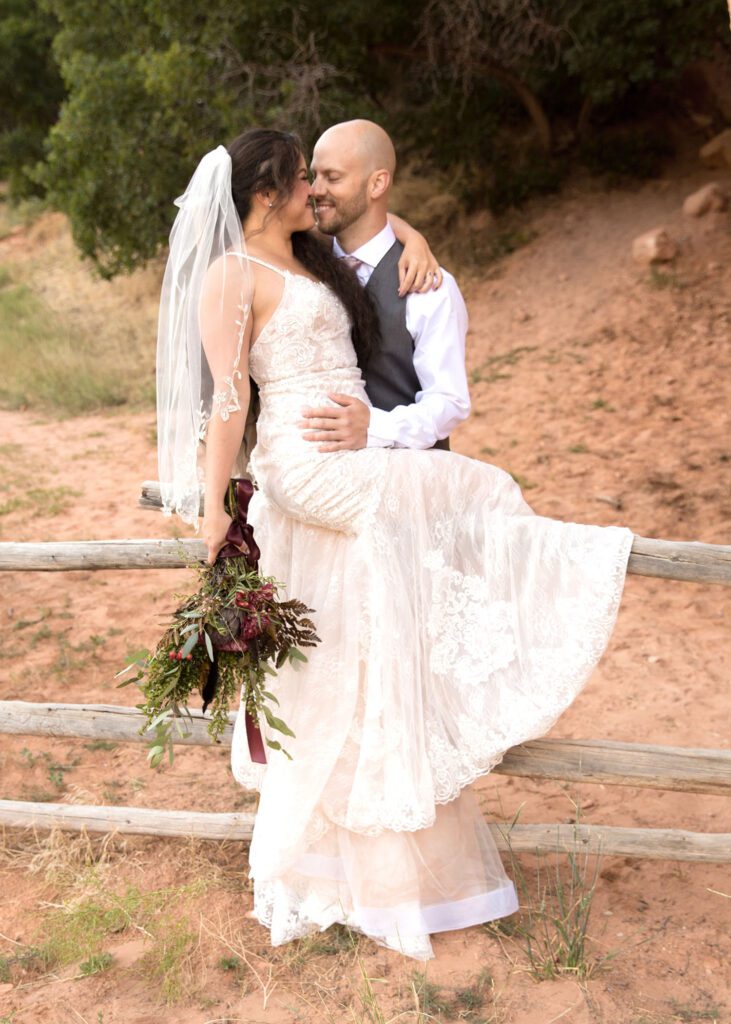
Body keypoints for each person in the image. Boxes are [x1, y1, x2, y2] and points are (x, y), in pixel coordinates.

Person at [156, 127, 633, 961]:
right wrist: (213, 512)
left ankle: (445, 677)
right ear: (265, 194)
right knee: (439, 496)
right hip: (305, 461)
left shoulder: (315, 256)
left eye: (322, 178)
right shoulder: (233, 274)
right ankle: (549, 580)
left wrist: (411, 231)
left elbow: (372, 218)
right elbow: (229, 402)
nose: (316, 190)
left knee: (472, 490)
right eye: (305, 179)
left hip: (361, 444)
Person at [301, 119, 470, 454]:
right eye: (314, 175)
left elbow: (449, 402)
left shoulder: (430, 288)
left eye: (332, 177)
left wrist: (374, 427)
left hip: (406, 484)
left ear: (377, 183)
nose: (316, 190)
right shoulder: (299, 263)